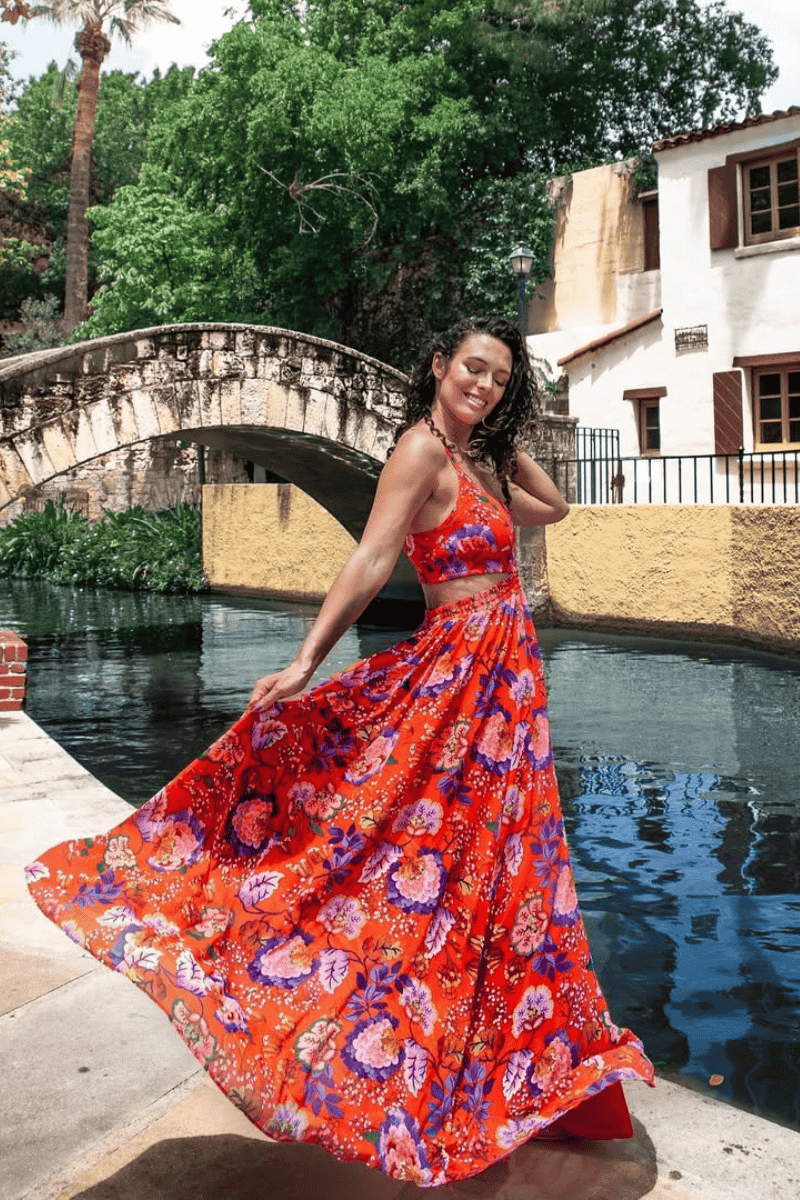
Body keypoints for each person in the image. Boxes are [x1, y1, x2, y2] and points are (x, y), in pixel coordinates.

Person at [26, 316, 653, 1187]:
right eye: (473, 368)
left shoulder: (475, 460)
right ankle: (390, 1054)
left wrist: (503, 446)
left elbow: (557, 507)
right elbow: (370, 559)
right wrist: (305, 660)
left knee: (502, 878)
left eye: (500, 379)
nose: (483, 385)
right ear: (438, 366)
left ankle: (504, 1067)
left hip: (505, 699)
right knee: (398, 855)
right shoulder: (420, 452)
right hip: (456, 682)